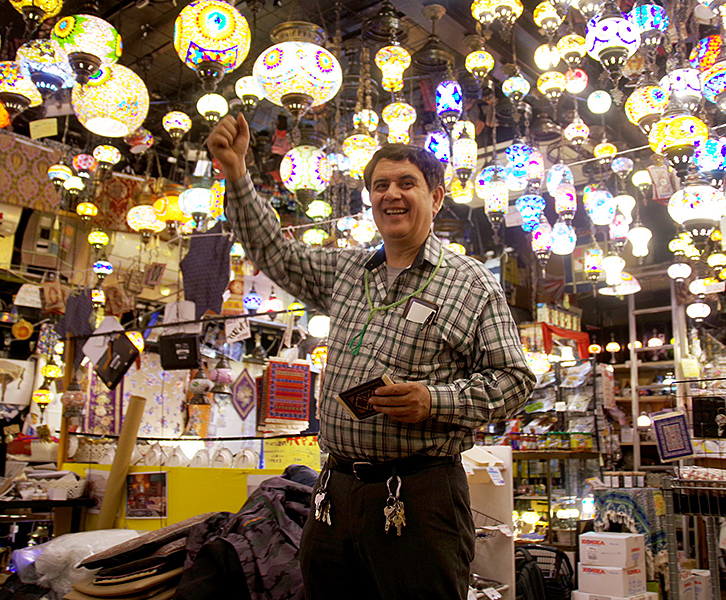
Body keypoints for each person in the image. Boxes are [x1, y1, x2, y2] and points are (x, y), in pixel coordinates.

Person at [208, 113, 535, 600]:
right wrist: (237, 175)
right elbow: (274, 253)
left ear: (436, 197)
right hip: (334, 492)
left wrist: (435, 400)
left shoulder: (471, 282)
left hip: (420, 497)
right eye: (380, 185)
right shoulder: (348, 270)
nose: (392, 194)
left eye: (408, 183)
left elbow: (515, 381)